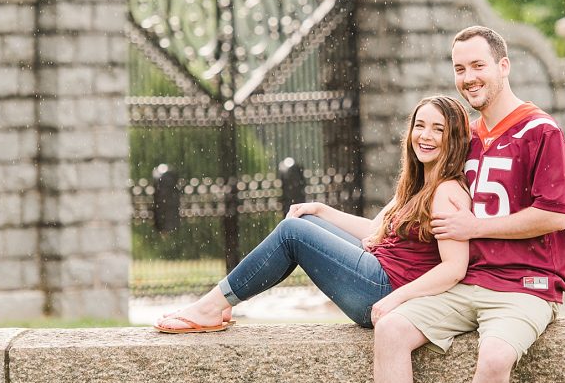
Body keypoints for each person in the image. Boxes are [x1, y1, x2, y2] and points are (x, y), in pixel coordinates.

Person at [372, 26, 565, 383]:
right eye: (460, 68)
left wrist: (475, 224)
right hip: (467, 281)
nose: (468, 77)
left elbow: (554, 216)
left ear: (503, 66)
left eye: (478, 66)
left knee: (496, 358)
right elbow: (422, 184)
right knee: (390, 332)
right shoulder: (467, 135)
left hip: (525, 285)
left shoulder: (541, 130)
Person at [155, 95, 473, 333]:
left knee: (292, 233)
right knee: (303, 222)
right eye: (420, 126)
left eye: (438, 129)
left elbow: (454, 268)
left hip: (383, 291)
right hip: (378, 274)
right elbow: (375, 232)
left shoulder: (446, 191)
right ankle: (222, 303)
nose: (425, 136)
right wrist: (320, 210)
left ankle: (212, 305)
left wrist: (395, 299)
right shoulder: (418, 183)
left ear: (454, 138)